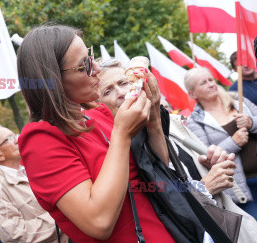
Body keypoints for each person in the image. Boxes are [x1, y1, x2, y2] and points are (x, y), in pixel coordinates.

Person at [16, 24, 186, 242]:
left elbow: (155, 170)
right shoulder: (40, 138)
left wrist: (152, 117)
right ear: (53, 81)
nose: (96, 68)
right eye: (83, 66)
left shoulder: (98, 114)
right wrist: (122, 135)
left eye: (91, 57)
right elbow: (99, 222)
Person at [97, 59, 257, 242]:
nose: (121, 93)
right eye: (108, 91)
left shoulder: (172, 122)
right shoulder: (114, 151)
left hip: (227, 224)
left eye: (124, 83)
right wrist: (203, 189)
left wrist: (212, 160)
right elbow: (155, 198)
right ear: (98, 105)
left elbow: (198, 163)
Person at [185, 67, 257, 217]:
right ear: (192, 94)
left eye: (211, 80)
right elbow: (206, 157)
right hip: (243, 189)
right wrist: (234, 142)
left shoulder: (238, 100)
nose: (210, 84)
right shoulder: (195, 122)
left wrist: (251, 123)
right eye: (203, 83)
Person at [0, 125, 65, 243]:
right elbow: (13, 233)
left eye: (15, 134)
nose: (17, 139)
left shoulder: (29, 169)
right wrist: (61, 219)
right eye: (9, 138)